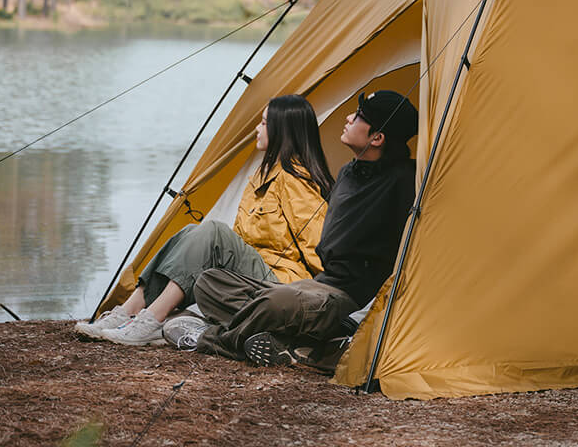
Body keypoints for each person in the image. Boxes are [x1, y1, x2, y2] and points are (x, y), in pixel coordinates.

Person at [163, 89, 417, 369]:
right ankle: (293, 344)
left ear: (377, 138)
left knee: (276, 300)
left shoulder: (405, 181)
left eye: (358, 116)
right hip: (318, 285)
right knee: (210, 282)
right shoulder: (348, 173)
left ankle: (213, 339)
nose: (348, 117)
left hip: (348, 300)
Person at [74, 94, 333, 346]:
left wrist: (321, 306)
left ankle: (152, 319)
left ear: (282, 130)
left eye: (264, 123)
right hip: (253, 274)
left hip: (282, 284)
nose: (257, 128)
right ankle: (129, 311)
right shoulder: (263, 175)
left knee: (213, 232)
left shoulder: (296, 180)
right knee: (189, 231)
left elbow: (319, 250)